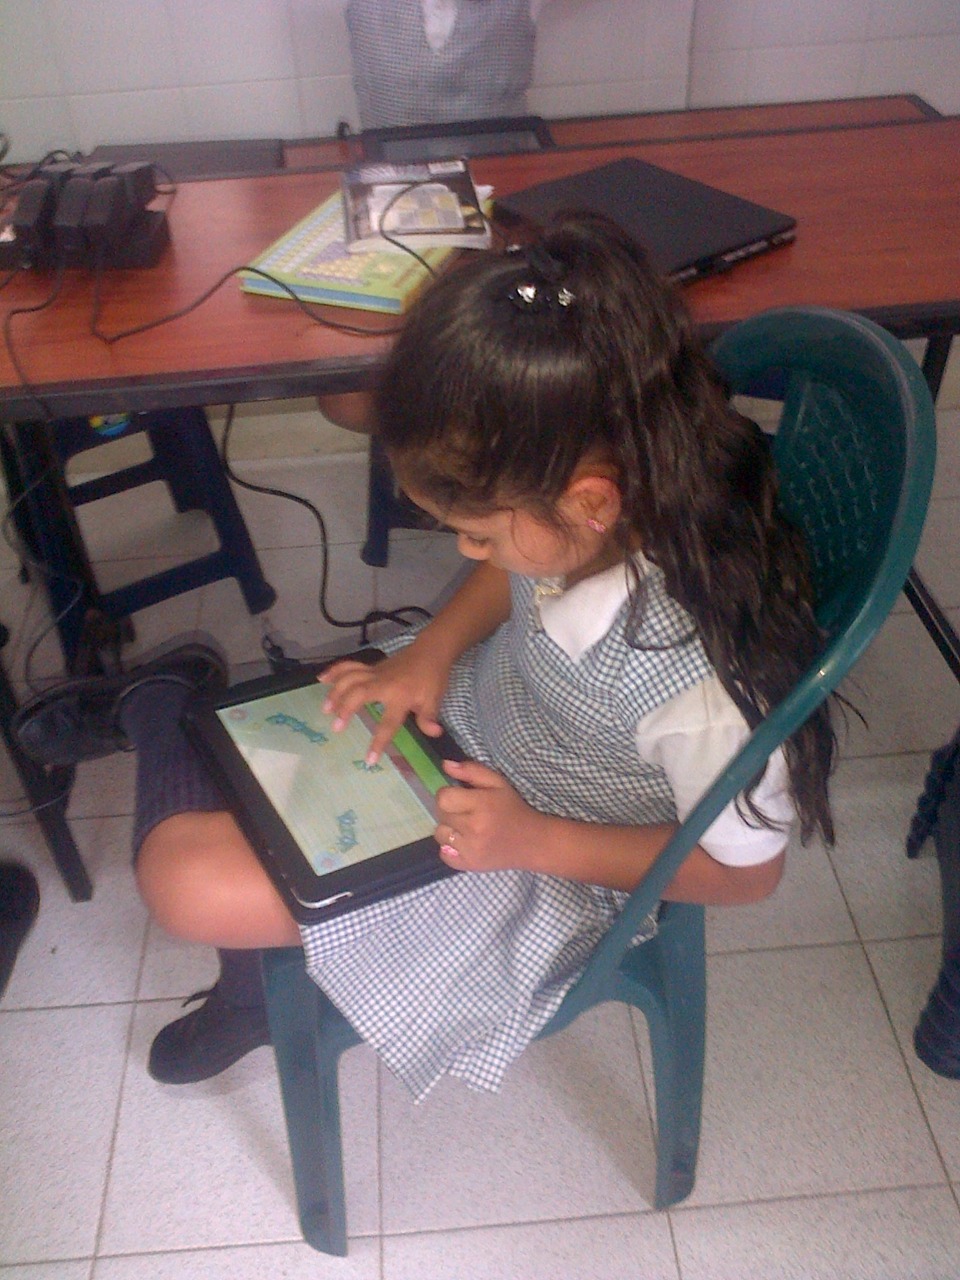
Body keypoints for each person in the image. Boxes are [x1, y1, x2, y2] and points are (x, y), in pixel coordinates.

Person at [14, 213, 835, 1094]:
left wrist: (534, 839)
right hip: (479, 722)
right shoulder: (614, 497)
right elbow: (524, 569)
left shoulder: (702, 689)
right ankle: (244, 943)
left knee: (185, 881)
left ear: (591, 502)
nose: (471, 555)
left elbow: (747, 876)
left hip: (545, 852)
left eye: (479, 535)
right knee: (248, 759)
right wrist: (433, 651)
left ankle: (159, 706)